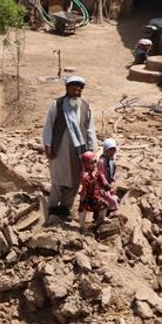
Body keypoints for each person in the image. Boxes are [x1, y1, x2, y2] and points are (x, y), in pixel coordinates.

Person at [42, 76, 97, 219]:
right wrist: (47, 144)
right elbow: (49, 125)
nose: (76, 92)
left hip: (79, 152)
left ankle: (65, 208)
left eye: (78, 90)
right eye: (73, 90)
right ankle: (53, 208)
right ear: (67, 89)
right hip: (59, 149)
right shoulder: (57, 105)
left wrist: (92, 149)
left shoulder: (86, 107)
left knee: (75, 180)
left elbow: (90, 129)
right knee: (57, 179)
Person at [77, 151, 111, 230]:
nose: (94, 164)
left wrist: (107, 186)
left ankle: (101, 219)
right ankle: (82, 226)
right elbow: (85, 181)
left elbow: (102, 179)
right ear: (86, 164)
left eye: (95, 162)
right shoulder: (85, 174)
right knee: (82, 211)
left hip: (96, 196)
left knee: (105, 205)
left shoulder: (96, 172)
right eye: (91, 163)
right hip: (86, 196)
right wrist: (90, 176)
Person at [100, 138, 120, 214]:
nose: (112, 152)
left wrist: (113, 179)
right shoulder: (102, 161)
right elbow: (101, 174)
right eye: (110, 150)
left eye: (113, 150)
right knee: (111, 201)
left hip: (108, 185)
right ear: (105, 150)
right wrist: (106, 184)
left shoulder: (112, 160)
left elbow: (114, 171)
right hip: (103, 186)